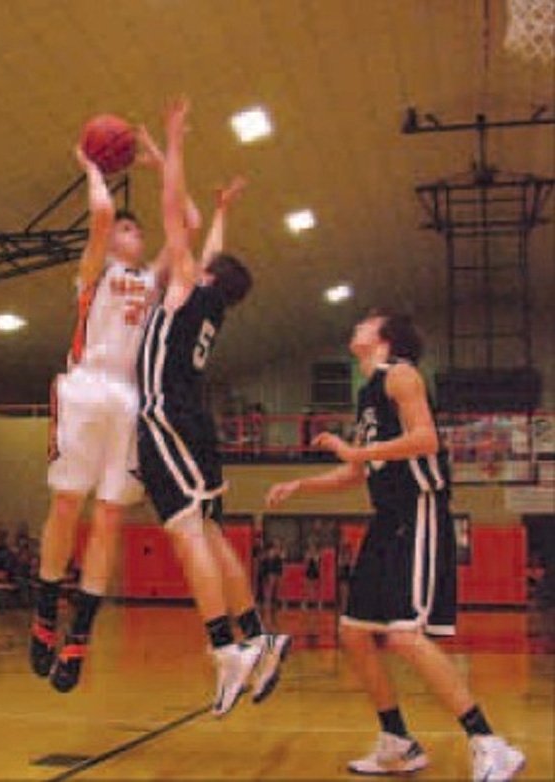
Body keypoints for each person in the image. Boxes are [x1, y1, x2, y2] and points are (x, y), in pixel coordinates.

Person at [266, 310, 525, 781]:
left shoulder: (400, 374)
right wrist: (301, 483)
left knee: (405, 634)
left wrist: (356, 452)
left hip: (418, 511)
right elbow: (355, 472)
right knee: (353, 631)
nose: (357, 327)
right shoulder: (367, 394)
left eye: (367, 322)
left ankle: (489, 742)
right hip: (386, 521)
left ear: (384, 338)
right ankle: (398, 742)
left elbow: (424, 440)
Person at [137, 97, 290, 718]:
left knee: (185, 531)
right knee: (209, 530)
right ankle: (255, 632)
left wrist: (172, 145)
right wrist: (222, 211)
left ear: (203, 276)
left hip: (165, 415)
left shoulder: (184, 290)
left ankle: (225, 645)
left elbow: (176, 215)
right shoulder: (212, 302)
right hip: (194, 420)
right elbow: (208, 248)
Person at [30, 145, 159, 693]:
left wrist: (163, 158)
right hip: (85, 387)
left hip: (129, 399)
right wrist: (91, 169)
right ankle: (44, 609)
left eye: (134, 231)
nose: (127, 234)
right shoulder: (94, 272)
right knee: (66, 504)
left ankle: (79, 634)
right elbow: (102, 216)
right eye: (123, 230)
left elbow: (185, 232)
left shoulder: (153, 281)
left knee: (108, 520)